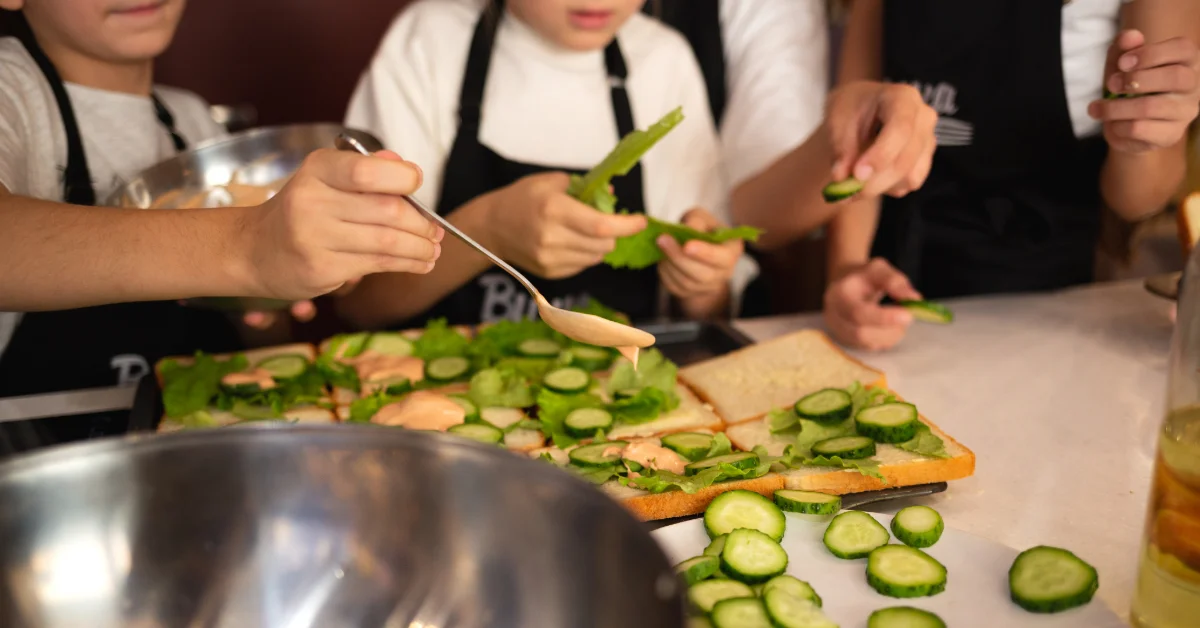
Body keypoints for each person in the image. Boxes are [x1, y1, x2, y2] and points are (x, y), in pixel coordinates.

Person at [0, 0, 441, 449]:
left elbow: (246, 333)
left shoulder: (188, 121)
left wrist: (273, 293)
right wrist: (246, 245)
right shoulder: (12, 93)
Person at [339, 0, 745, 329]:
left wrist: (701, 284)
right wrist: (489, 229)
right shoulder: (428, 42)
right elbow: (363, 305)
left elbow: (706, 312)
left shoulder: (665, 60)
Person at [823, 0, 1200, 350]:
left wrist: (1139, 135)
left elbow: (1137, 199)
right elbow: (859, 131)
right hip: (892, 289)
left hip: (1045, 305)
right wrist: (847, 268)